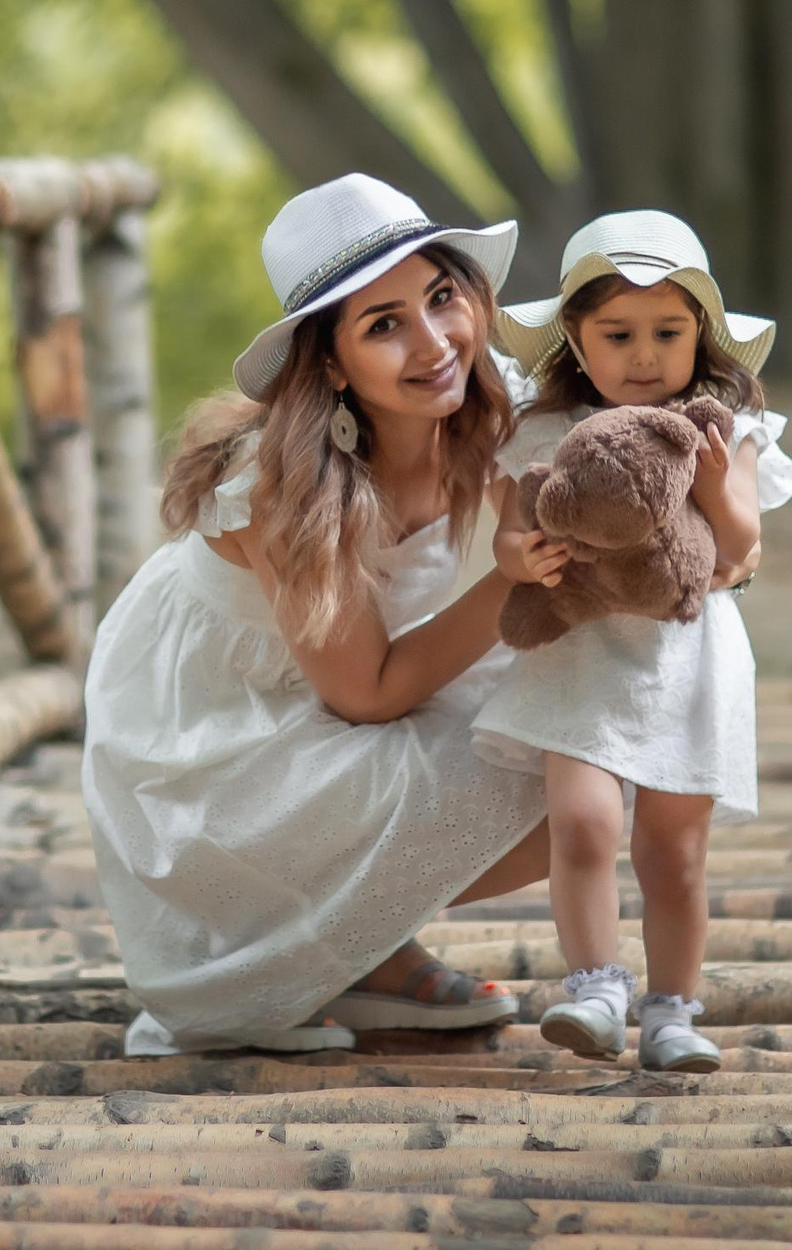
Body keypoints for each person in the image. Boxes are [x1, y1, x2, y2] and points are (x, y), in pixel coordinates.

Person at [81, 174, 564, 1056]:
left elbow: (598, 459)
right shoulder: (284, 486)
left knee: (588, 731)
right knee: (533, 764)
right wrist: (511, 581)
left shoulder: (477, 399)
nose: (433, 342)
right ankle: (323, 947)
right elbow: (368, 694)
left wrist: (719, 532)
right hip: (215, 737)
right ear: (333, 364)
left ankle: (364, 948)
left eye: (441, 296)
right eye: (384, 325)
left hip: (328, 684)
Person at [478, 210, 792, 1071]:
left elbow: (741, 553)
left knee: (673, 847)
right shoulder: (545, 435)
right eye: (618, 334)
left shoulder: (724, 431)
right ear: (577, 341)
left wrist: (720, 483)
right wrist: (526, 556)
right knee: (580, 819)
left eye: (669, 332)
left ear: (702, 337)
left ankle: (673, 1010)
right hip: (580, 647)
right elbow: (509, 535)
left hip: (688, 659)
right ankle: (594, 984)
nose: (644, 356)